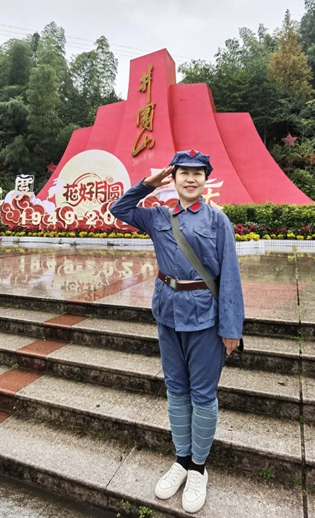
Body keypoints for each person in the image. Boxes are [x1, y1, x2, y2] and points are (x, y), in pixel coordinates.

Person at [110, 150, 244, 514]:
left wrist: (231, 327)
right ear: (173, 177)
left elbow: (229, 275)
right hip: (168, 313)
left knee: (202, 394)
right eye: (183, 172)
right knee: (176, 390)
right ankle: (181, 460)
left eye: (197, 174)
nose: (190, 179)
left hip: (204, 317)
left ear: (205, 180)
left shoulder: (217, 220)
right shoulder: (158, 216)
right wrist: (146, 185)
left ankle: (198, 467)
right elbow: (118, 210)